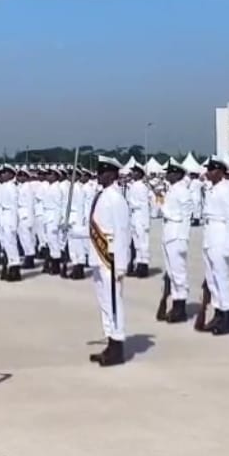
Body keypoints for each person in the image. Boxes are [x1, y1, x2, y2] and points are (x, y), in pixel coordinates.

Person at [86, 155, 132, 367]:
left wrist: (122, 263)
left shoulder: (116, 198)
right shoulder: (102, 195)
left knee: (114, 302)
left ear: (113, 174)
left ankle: (117, 344)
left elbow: (122, 231)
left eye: (103, 172)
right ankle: (109, 339)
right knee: (105, 302)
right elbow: (96, 227)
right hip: (99, 256)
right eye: (98, 171)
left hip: (111, 257)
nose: (99, 175)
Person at [199, 156, 229, 335]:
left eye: (212, 170)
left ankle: (226, 316)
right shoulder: (212, 189)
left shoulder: (225, 190)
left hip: (220, 235)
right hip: (210, 235)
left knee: (222, 278)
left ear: (220, 172)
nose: (208, 173)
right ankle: (217, 311)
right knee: (212, 277)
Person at [160, 161, 193, 323]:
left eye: (171, 173)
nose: (168, 175)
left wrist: (183, 238)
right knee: (172, 272)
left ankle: (180, 307)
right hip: (169, 233)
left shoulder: (182, 191)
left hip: (177, 235)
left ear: (178, 175)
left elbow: (186, 216)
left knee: (178, 273)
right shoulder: (172, 190)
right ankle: (175, 303)